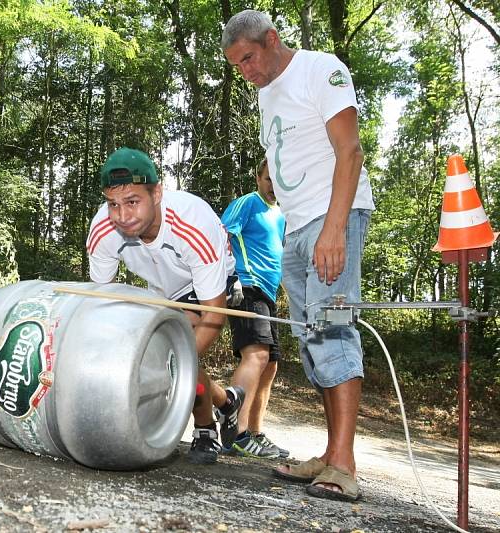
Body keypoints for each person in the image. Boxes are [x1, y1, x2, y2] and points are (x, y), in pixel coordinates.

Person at [221, 10, 374, 502]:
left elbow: (349, 151)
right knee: (312, 339)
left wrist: (334, 229)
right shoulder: (266, 93)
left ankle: (345, 466)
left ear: (272, 39)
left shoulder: (320, 69)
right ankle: (331, 455)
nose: (246, 71)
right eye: (236, 65)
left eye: (249, 58)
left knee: (335, 327)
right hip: (297, 224)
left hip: (335, 219)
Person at [87, 147, 244, 465]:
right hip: (162, 289)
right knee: (168, 355)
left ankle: (204, 430)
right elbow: (102, 304)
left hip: (209, 282)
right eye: (113, 204)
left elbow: (214, 314)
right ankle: (226, 401)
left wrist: (169, 366)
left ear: (157, 193)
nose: (123, 216)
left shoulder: (192, 223)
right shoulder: (104, 230)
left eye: (132, 201)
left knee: (179, 344)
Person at [219, 158, 288, 459]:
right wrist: (230, 277)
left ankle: (255, 434)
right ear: (259, 179)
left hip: (269, 293)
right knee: (256, 355)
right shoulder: (247, 203)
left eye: (278, 180)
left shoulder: (281, 214)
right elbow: (222, 235)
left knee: (270, 364)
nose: (273, 186)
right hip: (247, 286)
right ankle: (236, 433)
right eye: (268, 179)